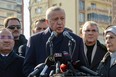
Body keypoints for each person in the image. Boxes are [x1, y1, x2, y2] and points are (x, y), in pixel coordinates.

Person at [23, 6, 86, 76]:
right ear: (47, 22)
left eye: (62, 19)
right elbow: (27, 68)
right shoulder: (34, 40)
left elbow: (83, 67)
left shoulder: (76, 40)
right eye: (55, 19)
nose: (59, 22)